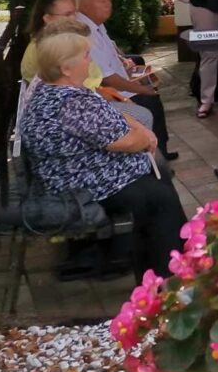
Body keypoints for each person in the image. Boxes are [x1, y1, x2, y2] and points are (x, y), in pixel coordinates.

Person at [21, 31, 186, 278]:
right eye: (85, 55)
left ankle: (162, 272)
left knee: (158, 182)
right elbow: (127, 142)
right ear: (66, 68)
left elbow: (115, 118)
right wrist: (145, 136)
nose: (90, 60)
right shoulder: (71, 103)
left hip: (79, 172)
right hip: (77, 185)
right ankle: (172, 276)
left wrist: (138, 129)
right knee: (161, 200)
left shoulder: (58, 90)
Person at [20, 0, 155, 132]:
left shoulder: (58, 42)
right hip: (75, 110)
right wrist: (120, 98)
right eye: (67, 15)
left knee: (141, 110)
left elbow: (87, 86)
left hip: (85, 101)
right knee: (143, 114)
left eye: (74, 13)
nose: (73, 19)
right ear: (47, 18)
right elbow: (79, 94)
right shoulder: (52, 49)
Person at [75, 0, 177, 160]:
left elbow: (111, 57)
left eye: (109, 0)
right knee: (150, 100)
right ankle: (157, 157)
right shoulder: (86, 31)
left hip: (116, 86)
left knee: (147, 83)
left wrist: (127, 67)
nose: (109, 5)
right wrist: (141, 89)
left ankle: (160, 152)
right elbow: (107, 79)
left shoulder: (97, 24)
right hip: (108, 93)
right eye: (102, 2)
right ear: (85, 5)